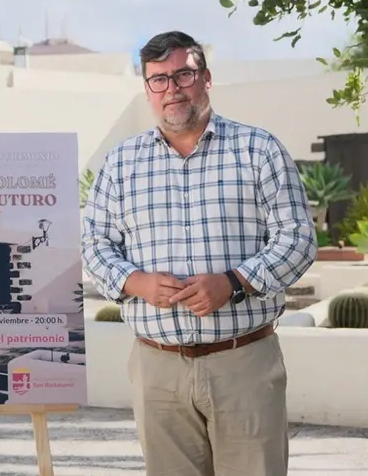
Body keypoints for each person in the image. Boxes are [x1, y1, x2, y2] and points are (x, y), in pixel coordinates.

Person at [81, 31, 316, 476]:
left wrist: (233, 282)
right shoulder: (120, 163)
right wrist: (137, 282)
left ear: (205, 78)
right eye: (159, 80)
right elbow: (94, 245)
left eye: (183, 74)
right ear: (147, 90)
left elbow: (298, 239)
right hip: (157, 370)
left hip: (243, 362)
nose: (172, 88)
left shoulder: (258, 150)